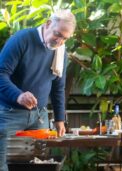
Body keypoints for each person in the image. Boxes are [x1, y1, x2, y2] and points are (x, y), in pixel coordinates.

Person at [0, 9, 76, 171]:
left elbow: (58, 87)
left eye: (65, 38)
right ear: (48, 24)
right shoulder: (21, 39)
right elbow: (1, 74)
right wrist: (18, 95)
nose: (59, 41)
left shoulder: (61, 51)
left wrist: (59, 118)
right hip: (8, 112)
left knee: (37, 165)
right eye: (57, 34)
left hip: (39, 116)